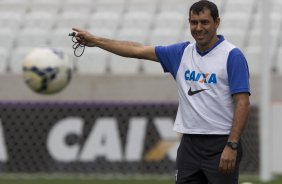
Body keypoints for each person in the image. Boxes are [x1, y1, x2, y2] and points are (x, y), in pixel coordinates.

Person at [71, 0, 250, 183]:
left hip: (221, 143)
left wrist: (232, 144)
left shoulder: (232, 56)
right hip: (190, 144)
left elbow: (243, 102)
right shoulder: (181, 53)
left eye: (204, 22)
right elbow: (137, 50)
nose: (198, 28)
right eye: (193, 22)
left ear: (217, 22)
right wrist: (96, 41)